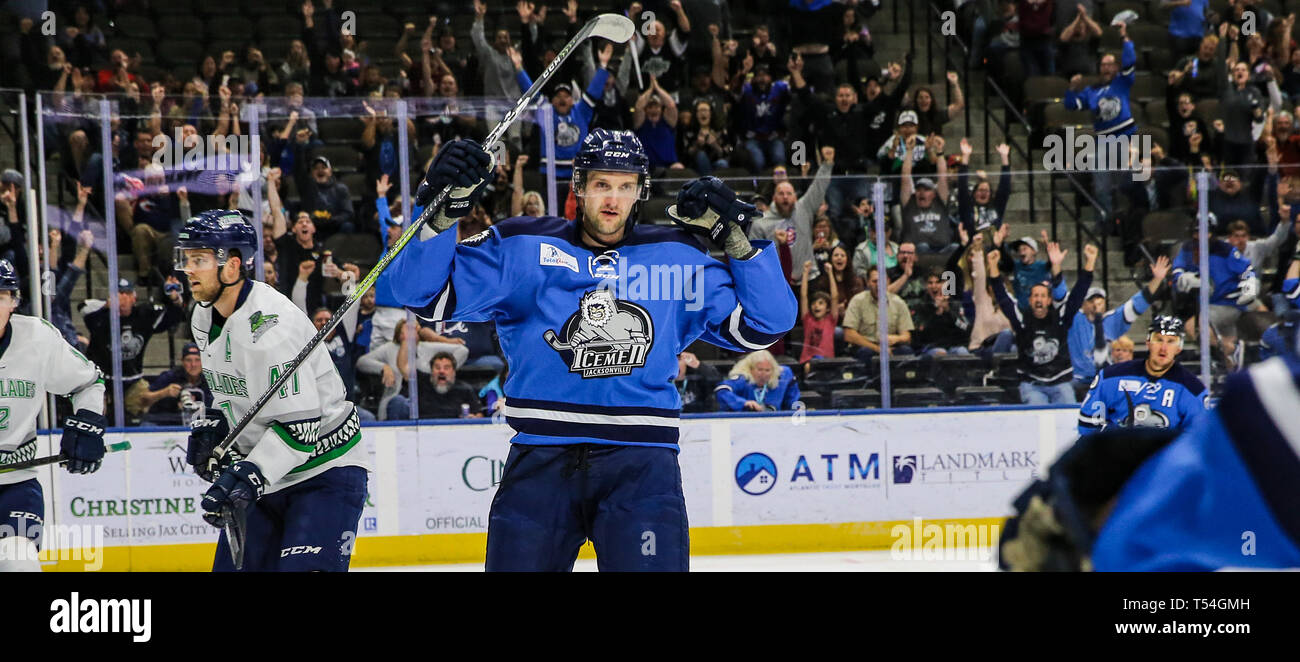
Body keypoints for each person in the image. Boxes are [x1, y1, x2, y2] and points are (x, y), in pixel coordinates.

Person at [388, 129, 796, 571]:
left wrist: (737, 240)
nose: (612, 200)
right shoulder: (524, 245)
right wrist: (439, 212)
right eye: (602, 184)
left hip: (641, 466)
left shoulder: (675, 256)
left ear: (640, 192)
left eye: (625, 187)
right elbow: (420, 294)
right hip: (541, 460)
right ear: (579, 187)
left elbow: (767, 324)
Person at [178, 210, 368, 572]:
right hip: (266, 474)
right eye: (186, 259)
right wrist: (220, 425)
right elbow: (234, 390)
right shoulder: (203, 315)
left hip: (323, 472)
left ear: (232, 266)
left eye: (198, 259)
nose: (188, 269)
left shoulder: (269, 328)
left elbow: (301, 429)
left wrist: (252, 472)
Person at [0, 259, 107, 571]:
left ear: (14, 302)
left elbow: (88, 382)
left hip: (15, 485)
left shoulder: (37, 339)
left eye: (0, 296)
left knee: (18, 562)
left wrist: (87, 423)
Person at [988, 242, 1096, 405]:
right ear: (1030, 300)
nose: (1039, 299)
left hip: (1060, 382)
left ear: (1049, 300)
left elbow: (1078, 295)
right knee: (1036, 409)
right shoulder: (1021, 319)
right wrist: (993, 267)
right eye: (1035, 296)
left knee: (1068, 415)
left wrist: (1090, 262)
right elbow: (1003, 298)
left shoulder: (1060, 317)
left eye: (1043, 296)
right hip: (1032, 384)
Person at [1077, 315, 1208, 437]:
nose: (1163, 348)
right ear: (1148, 342)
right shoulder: (1111, 377)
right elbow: (1087, 425)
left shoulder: (1193, 389)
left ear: (1179, 347)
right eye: (1158, 339)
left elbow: (1198, 439)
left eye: (1171, 341)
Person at [82, 278, 184, 421]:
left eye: (127, 293)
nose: (123, 297)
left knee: (141, 404)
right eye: (119, 293)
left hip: (132, 379)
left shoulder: (143, 315)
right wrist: (107, 305)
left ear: (134, 298)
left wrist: (174, 297)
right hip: (101, 378)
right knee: (96, 411)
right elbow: (83, 307)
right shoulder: (100, 316)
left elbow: (173, 315)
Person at [1067, 256, 1171, 394]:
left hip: (1105, 378)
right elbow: (1064, 298)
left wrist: (1157, 279)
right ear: (1083, 304)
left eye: (1099, 301)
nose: (1095, 305)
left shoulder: (1112, 320)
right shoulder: (1075, 318)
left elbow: (1138, 303)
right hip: (1077, 379)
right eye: (1091, 301)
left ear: (1105, 304)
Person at [1172, 222, 1259, 371]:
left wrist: (1250, 285)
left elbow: (1247, 270)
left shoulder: (1225, 250)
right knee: (1229, 361)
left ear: (1212, 233)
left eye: (1205, 232)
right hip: (1208, 304)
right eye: (1196, 232)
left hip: (1228, 303)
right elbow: (1177, 270)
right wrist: (1182, 278)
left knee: (1193, 327)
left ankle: (1232, 348)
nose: (1200, 236)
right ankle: (1232, 375)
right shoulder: (1188, 249)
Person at [843, 265, 915, 361]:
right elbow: (849, 335)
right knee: (865, 352)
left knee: (906, 351)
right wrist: (877, 349)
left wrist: (897, 338)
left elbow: (907, 336)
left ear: (888, 281)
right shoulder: (857, 301)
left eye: (882, 281)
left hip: (891, 348)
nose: (878, 285)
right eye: (874, 281)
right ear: (868, 282)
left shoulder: (898, 302)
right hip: (866, 347)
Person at [132, 342, 213, 426]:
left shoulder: (209, 380)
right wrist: (164, 392)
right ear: (182, 361)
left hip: (198, 422)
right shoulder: (171, 376)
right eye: (188, 360)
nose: (193, 365)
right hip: (163, 421)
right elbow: (143, 399)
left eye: (197, 360)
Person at [388, 352, 484, 420]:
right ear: (431, 371)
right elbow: (403, 365)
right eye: (437, 367)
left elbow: (479, 414)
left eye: (446, 368)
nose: (441, 371)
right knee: (398, 401)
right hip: (420, 431)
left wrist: (474, 418)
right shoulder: (421, 382)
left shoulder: (464, 389)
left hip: (454, 433)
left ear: (454, 372)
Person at [715, 350, 800, 412]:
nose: (764, 374)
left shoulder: (783, 376)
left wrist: (797, 409)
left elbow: (793, 400)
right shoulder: (743, 379)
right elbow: (721, 390)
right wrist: (743, 403)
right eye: (760, 370)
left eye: (767, 370)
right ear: (750, 369)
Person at [799, 259, 838, 365]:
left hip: (827, 362)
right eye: (814, 304)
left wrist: (830, 273)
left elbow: (834, 298)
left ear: (828, 308)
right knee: (809, 366)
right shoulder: (808, 319)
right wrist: (805, 273)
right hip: (808, 361)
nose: (816, 306)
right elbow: (803, 296)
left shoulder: (831, 320)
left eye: (821, 303)